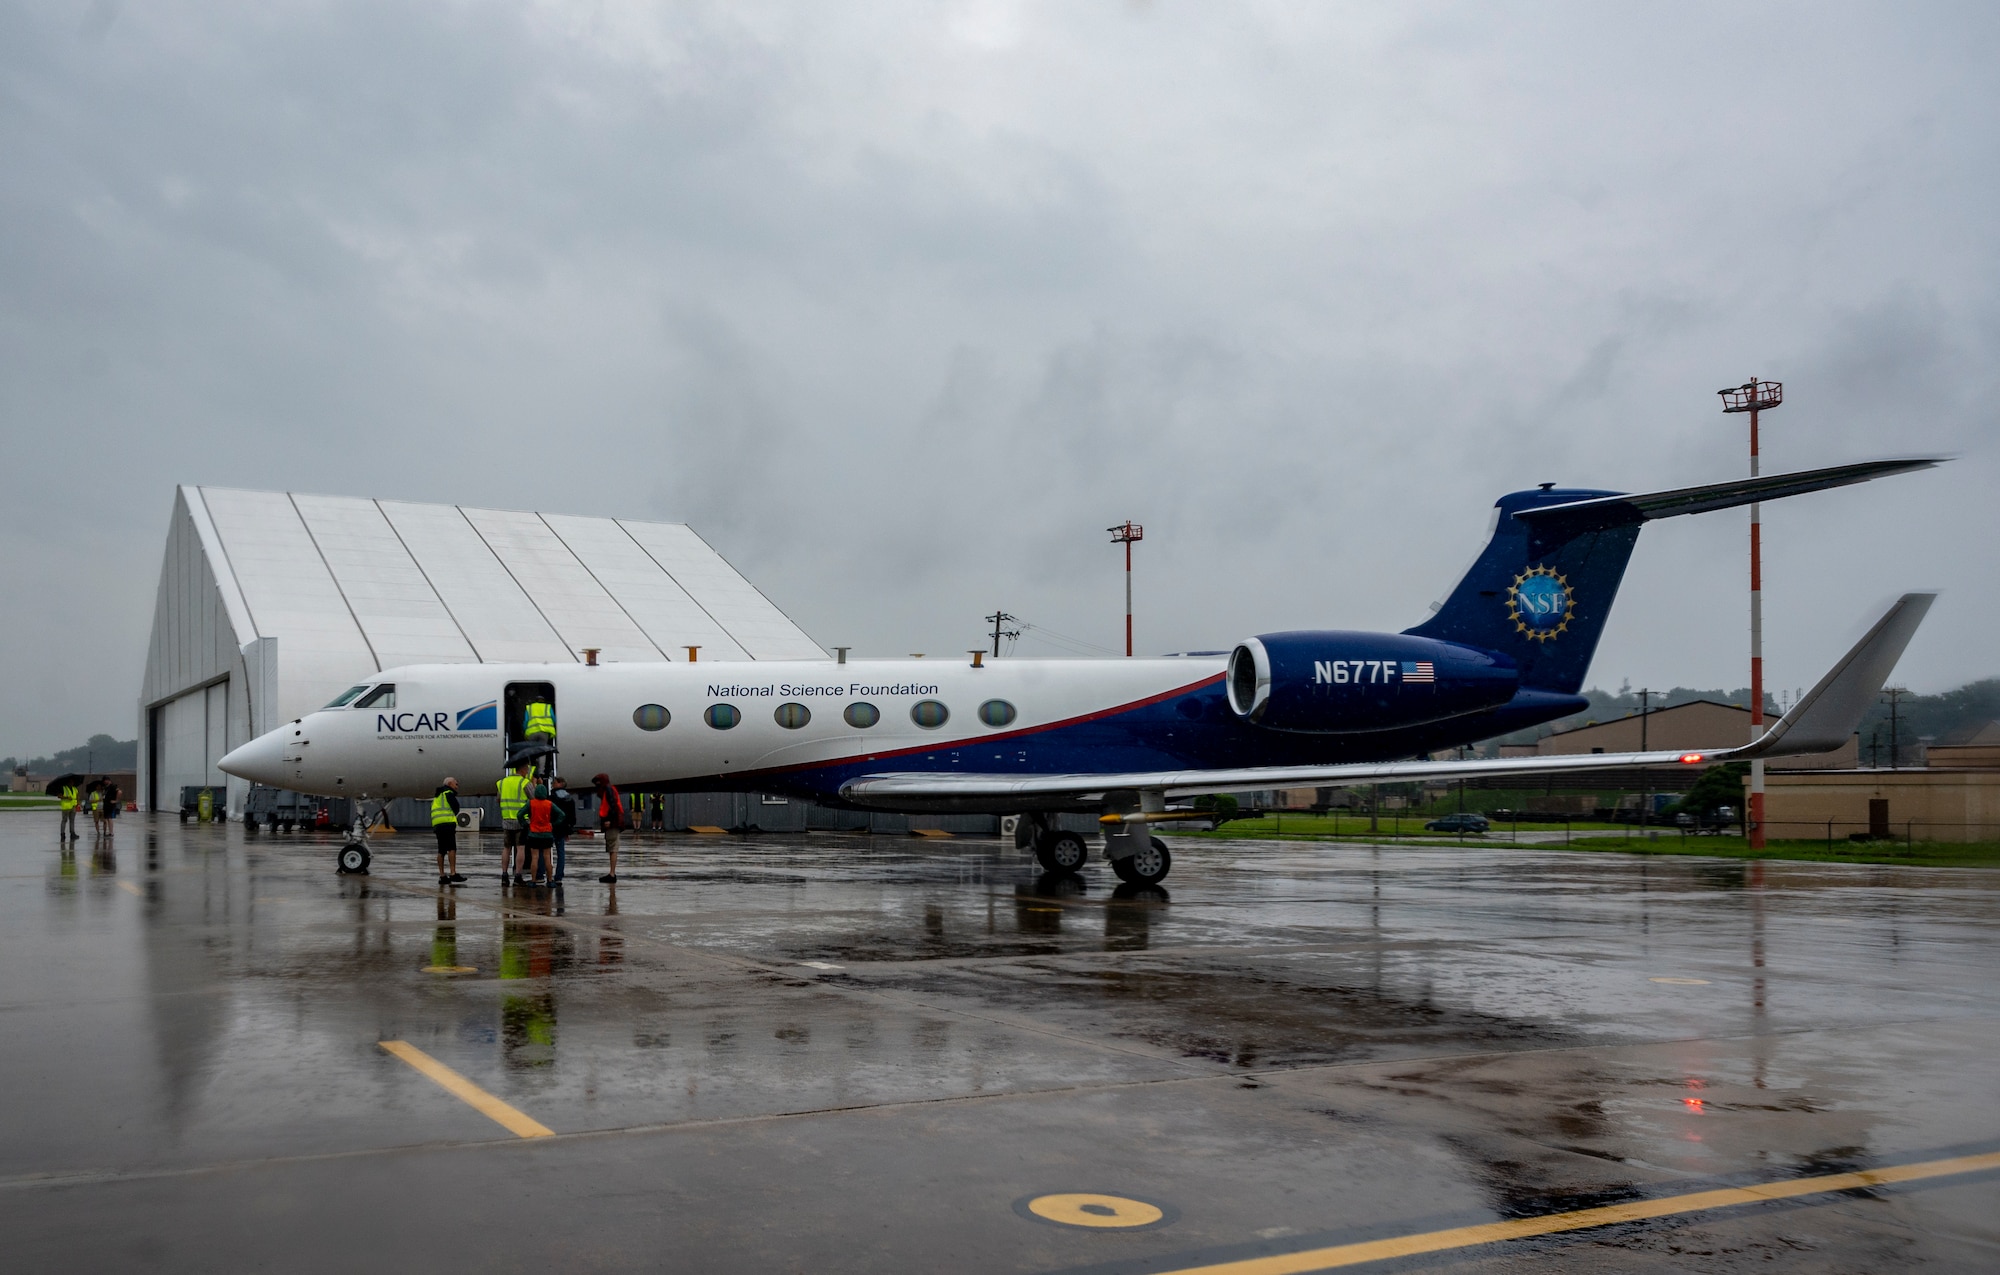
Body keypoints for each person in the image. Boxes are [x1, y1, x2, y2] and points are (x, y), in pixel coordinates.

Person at [498, 762, 533, 885]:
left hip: (507, 820)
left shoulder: (502, 782)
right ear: (522, 770)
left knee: (506, 848)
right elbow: (533, 799)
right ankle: (518, 876)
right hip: (521, 821)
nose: (528, 772)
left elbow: (498, 799)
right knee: (520, 848)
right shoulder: (524, 783)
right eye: (527, 769)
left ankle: (504, 875)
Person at [431, 777, 465, 886]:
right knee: (451, 848)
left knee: (441, 850)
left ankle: (442, 875)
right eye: (456, 784)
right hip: (447, 823)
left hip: (437, 824)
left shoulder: (437, 796)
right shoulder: (448, 793)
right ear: (450, 784)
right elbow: (456, 807)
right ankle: (453, 873)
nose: (457, 786)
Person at [593, 773, 626, 883]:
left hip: (612, 823)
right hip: (614, 822)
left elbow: (612, 806)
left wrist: (609, 820)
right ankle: (612, 873)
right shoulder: (609, 789)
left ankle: (612, 874)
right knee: (612, 848)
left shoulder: (608, 790)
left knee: (612, 848)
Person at [523, 784, 557, 886]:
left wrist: (525, 823)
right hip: (547, 833)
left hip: (534, 833)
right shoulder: (549, 804)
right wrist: (553, 824)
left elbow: (520, 814)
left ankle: (533, 881)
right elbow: (561, 814)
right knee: (547, 857)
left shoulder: (531, 803)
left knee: (535, 857)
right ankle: (550, 881)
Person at [549, 776, 577, 884]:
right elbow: (572, 816)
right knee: (561, 853)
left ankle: (542, 874)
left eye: (554, 782)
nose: (552, 784)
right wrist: (569, 829)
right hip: (563, 829)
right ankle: (559, 876)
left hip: (552, 827)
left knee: (545, 852)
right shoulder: (569, 798)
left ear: (560, 783)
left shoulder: (552, 797)